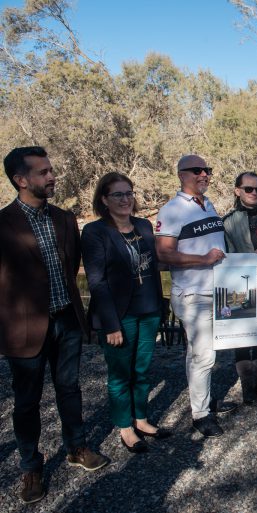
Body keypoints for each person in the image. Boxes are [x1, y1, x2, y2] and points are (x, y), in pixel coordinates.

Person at [1, 146, 109, 504]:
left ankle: (76, 447)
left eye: (51, 170)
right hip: (24, 329)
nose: (52, 177)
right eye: (43, 172)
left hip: (67, 320)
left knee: (69, 388)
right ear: (21, 180)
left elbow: (72, 264)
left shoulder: (63, 219)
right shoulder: (3, 224)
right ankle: (31, 466)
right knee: (27, 402)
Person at [81, 173, 169, 453]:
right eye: (118, 194)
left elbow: (153, 268)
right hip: (120, 316)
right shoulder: (95, 232)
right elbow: (96, 282)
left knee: (141, 370)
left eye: (128, 193)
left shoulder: (143, 226)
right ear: (104, 200)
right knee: (120, 374)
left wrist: (160, 305)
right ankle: (125, 427)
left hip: (149, 310)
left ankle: (141, 419)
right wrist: (111, 325)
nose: (125, 199)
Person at [155, 154, 232, 438]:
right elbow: (163, 254)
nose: (204, 175)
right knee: (204, 356)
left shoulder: (208, 204)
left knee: (198, 354)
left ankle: (204, 401)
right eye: (197, 170)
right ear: (181, 175)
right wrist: (203, 259)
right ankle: (200, 415)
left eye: (207, 170)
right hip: (192, 294)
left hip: (216, 291)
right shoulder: (172, 210)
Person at [222, 171, 257, 405]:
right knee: (243, 337)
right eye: (249, 189)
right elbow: (226, 254)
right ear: (238, 191)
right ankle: (248, 387)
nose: (254, 193)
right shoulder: (227, 222)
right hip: (239, 284)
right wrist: (250, 257)